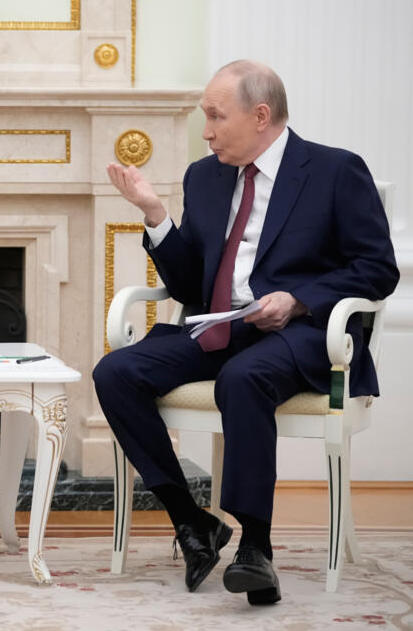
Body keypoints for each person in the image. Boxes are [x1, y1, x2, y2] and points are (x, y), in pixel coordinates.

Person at [93, 59, 398, 605]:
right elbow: (189, 283)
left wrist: (299, 299)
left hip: (298, 334)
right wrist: (156, 215)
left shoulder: (334, 171)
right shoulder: (203, 176)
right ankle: (192, 523)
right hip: (217, 326)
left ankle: (256, 547)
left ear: (260, 115)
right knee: (116, 371)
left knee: (244, 377)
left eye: (215, 116)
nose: (206, 131)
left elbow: (376, 268)